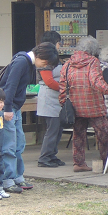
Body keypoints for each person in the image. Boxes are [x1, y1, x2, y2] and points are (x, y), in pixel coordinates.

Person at [0, 41, 59, 193]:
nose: (44, 67)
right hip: (9, 108)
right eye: (46, 63)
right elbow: (10, 86)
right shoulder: (21, 62)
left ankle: (18, 176)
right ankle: (8, 179)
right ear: (42, 58)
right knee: (9, 145)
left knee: (18, 144)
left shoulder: (27, 63)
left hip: (15, 108)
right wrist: (7, 108)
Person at [60, 36, 108, 172]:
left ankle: (78, 163)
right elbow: (96, 81)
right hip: (93, 105)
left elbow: (62, 85)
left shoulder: (67, 64)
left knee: (78, 134)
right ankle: (106, 161)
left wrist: (63, 102)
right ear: (94, 50)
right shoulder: (93, 62)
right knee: (103, 133)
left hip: (75, 106)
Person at [35, 30, 65, 168]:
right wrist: (63, 89)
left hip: (56, 100)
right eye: (59, 42)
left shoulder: (55, 59)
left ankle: (52, 155)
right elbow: (49, 81)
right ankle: (44, 157)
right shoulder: (46, 58)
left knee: (57, 130)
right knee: (52, 131)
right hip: (49, 98)